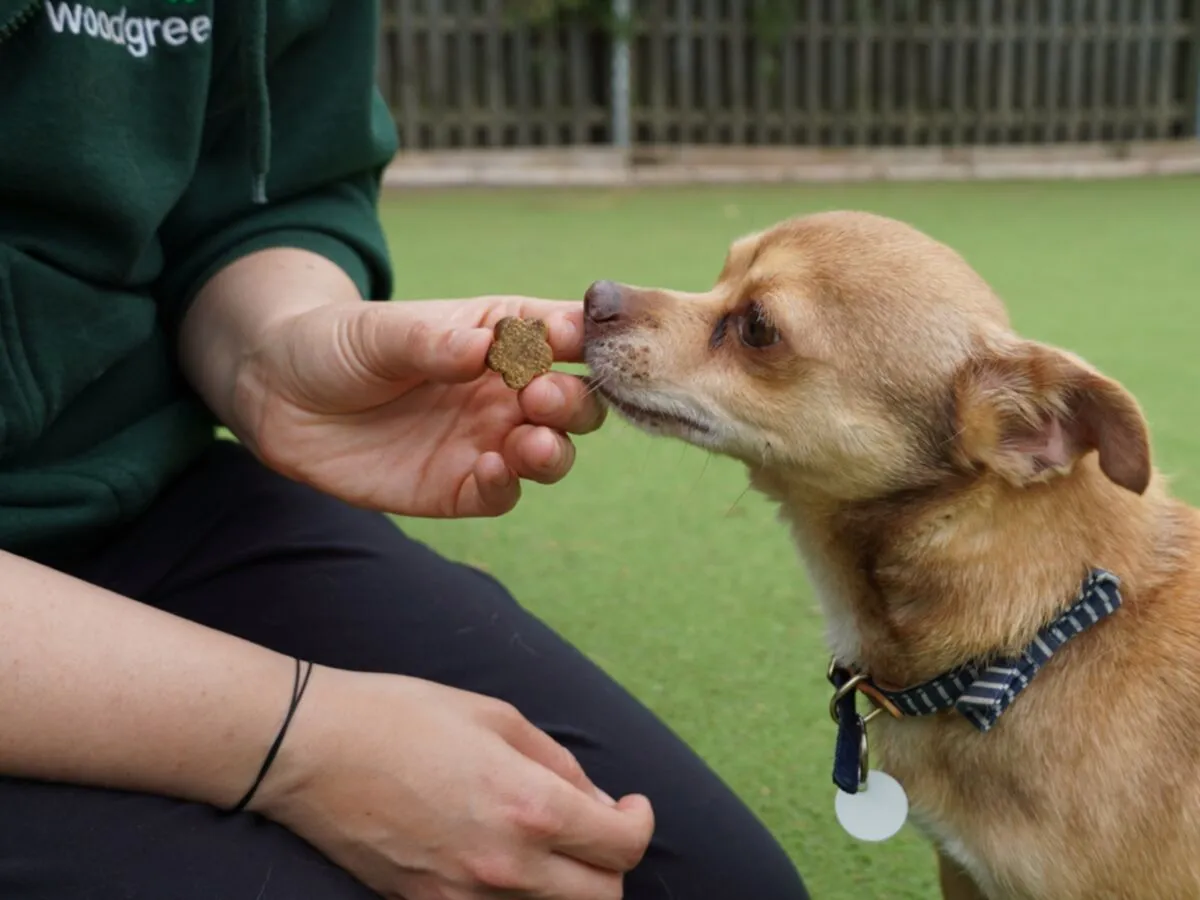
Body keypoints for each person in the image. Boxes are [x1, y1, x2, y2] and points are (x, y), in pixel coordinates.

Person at [0, 2, 810, 898]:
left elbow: (262, 195)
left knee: (698, 882)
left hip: (142, 497)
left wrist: (276, 350)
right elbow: (311, 749)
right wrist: (300, 741)